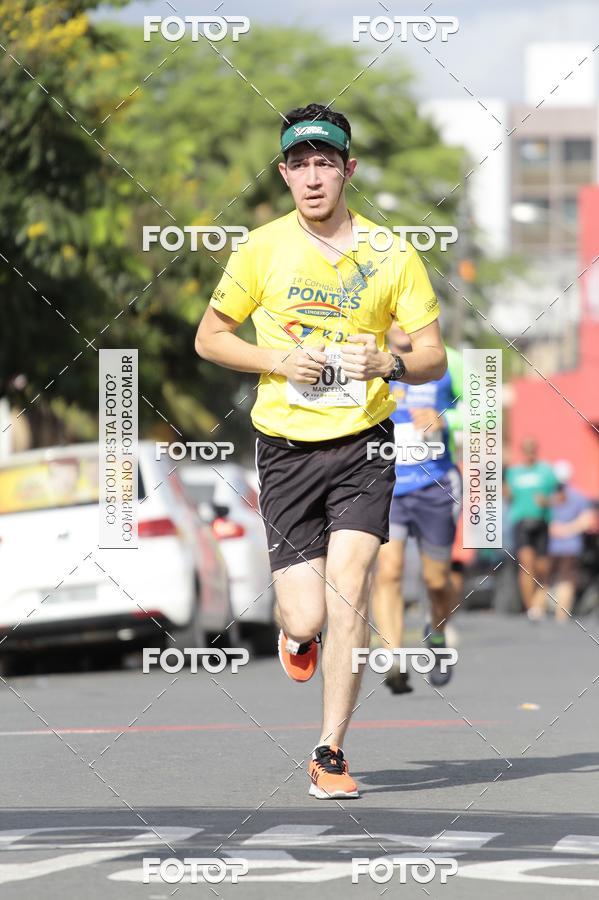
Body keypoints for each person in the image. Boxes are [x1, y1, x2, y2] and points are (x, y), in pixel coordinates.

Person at [195, 103, 447, 799]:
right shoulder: (260, 249)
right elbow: (209, 338)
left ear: (348, 170)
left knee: (351, 590)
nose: (312, 177)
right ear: (284, 174)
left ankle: (330, 751)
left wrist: (389, 364)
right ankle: (297, 637)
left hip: (365, 445)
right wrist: (277, 359)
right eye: (299, 164)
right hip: (286, 449)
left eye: (325, 163)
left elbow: (432, 354)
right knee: (306, 615)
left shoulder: (392, 254)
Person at [372, 324, 463, 694]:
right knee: (388, 570)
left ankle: (437, 636)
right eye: (394, 316)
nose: (401, 325)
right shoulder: (370, 355)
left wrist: (445, 418)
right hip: (389, 483)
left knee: (436, 581)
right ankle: (393, 656)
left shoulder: (449, 358)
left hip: (436, 485)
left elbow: (486, 411)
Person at [504, 438, 559, 620]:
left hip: (541, 521)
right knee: (526, 563)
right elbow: (506, 493)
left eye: (532, 450)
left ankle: (540, 596)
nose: (530, 454)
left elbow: (561, 496)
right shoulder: (513, 472)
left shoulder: (546, 471)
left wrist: (548, 501)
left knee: (541, 567)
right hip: (521, 521)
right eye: (526, 450)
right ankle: (531, 608)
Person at [547, 461, 593, 622]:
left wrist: (556, 529)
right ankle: (561, 616)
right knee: (566, 580)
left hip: (551, 545)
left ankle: (537, 611)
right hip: (570, 545)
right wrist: (568, 530)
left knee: (547, 579)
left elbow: (542, 519)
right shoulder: (579, 496)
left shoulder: (549, 496)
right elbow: (586, 521)